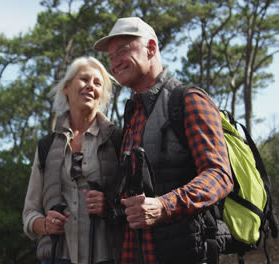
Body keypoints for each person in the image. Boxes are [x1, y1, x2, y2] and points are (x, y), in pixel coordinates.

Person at [93, 17, 233, 263]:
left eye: (123, 50)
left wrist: (162, 206)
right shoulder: (133, 115)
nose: (114, 63)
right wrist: (109, 206)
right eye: (110, 57)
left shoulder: (188, 100)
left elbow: (219, 175)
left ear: (151, 48)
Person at [22, 56, 118, 264]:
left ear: (102, 95)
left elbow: (135, 204)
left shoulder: (116, 140)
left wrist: (109, 206)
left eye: (97, 83)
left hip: (108, 256)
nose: (90, 86)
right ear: (66, 87)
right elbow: (30, 212)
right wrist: (45, 225)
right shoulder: (47, 146)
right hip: (57, 257)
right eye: (84, 79)